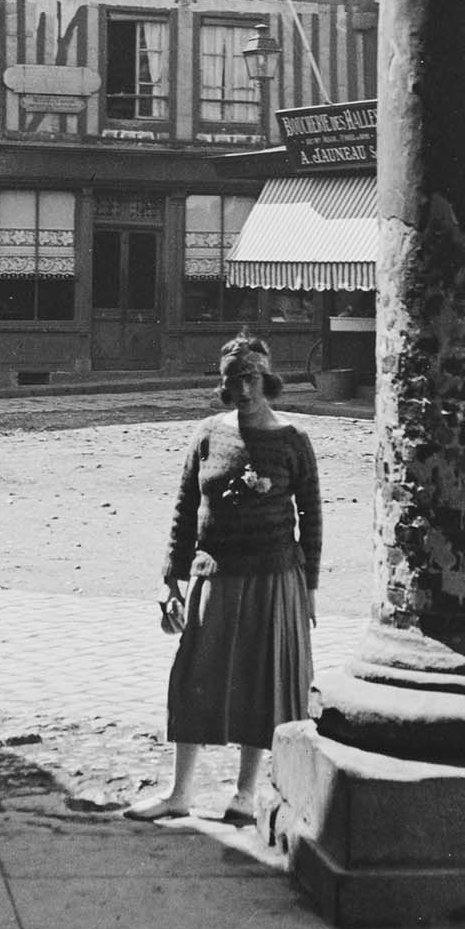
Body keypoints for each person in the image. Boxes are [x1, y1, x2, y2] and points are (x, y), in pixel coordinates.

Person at [132, 331, 321, 827]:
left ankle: (243, 793)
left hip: (274, 576)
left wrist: (311, 591)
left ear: (268, 379)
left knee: (262, 681)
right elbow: (184, 510)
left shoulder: (293, 439)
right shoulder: (207, 434)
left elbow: (312, 518)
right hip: (214, 573)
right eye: (233, 379)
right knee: (195, 677)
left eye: (252, 378)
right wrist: (168, 580)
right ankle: (179, 792)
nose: (243, 389)